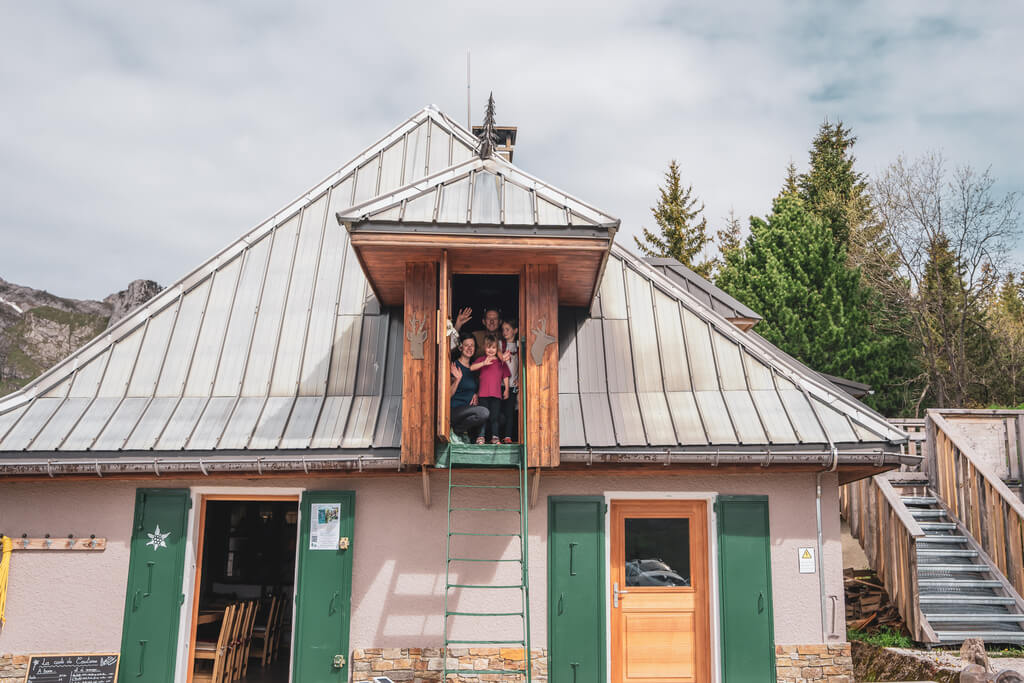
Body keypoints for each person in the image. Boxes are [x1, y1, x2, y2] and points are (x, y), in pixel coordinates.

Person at [470, 334, 511, 444]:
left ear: (497, 349)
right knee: (483, 417)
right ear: (484, 348)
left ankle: (495, 436)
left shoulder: (500, 362)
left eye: (493, 347)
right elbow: (471, 367)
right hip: (483, 395)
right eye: (488, 347)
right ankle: (481, 436)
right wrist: (483, 363)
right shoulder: (481, 359)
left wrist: (506, 389)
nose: (491, 350)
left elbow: (506, 376)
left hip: (496, 395)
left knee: (495, 417)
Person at [449, 335, 488, 442]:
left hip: (468, 410)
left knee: (499, 417)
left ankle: (464, 433)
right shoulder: (454, 366)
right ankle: (457, 430)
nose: (470, 348)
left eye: (472, 345)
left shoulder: (474, 367)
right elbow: (446, 395)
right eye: (466, 345)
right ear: (460, 348)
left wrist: (476, 393)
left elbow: (478, 385)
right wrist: (457, 380)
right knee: (483, 412)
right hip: (454, 410)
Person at [499, 318, 520, 443]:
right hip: (500, 384)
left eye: (508, 329)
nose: (505, 332)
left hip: (513, 385)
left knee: (510, 412)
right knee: (498, 411)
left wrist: (520, 380)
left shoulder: (519, 345)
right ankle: (497, 435)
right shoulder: (500, 344)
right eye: (503, 330)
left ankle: (508, 436)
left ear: (515, 330)